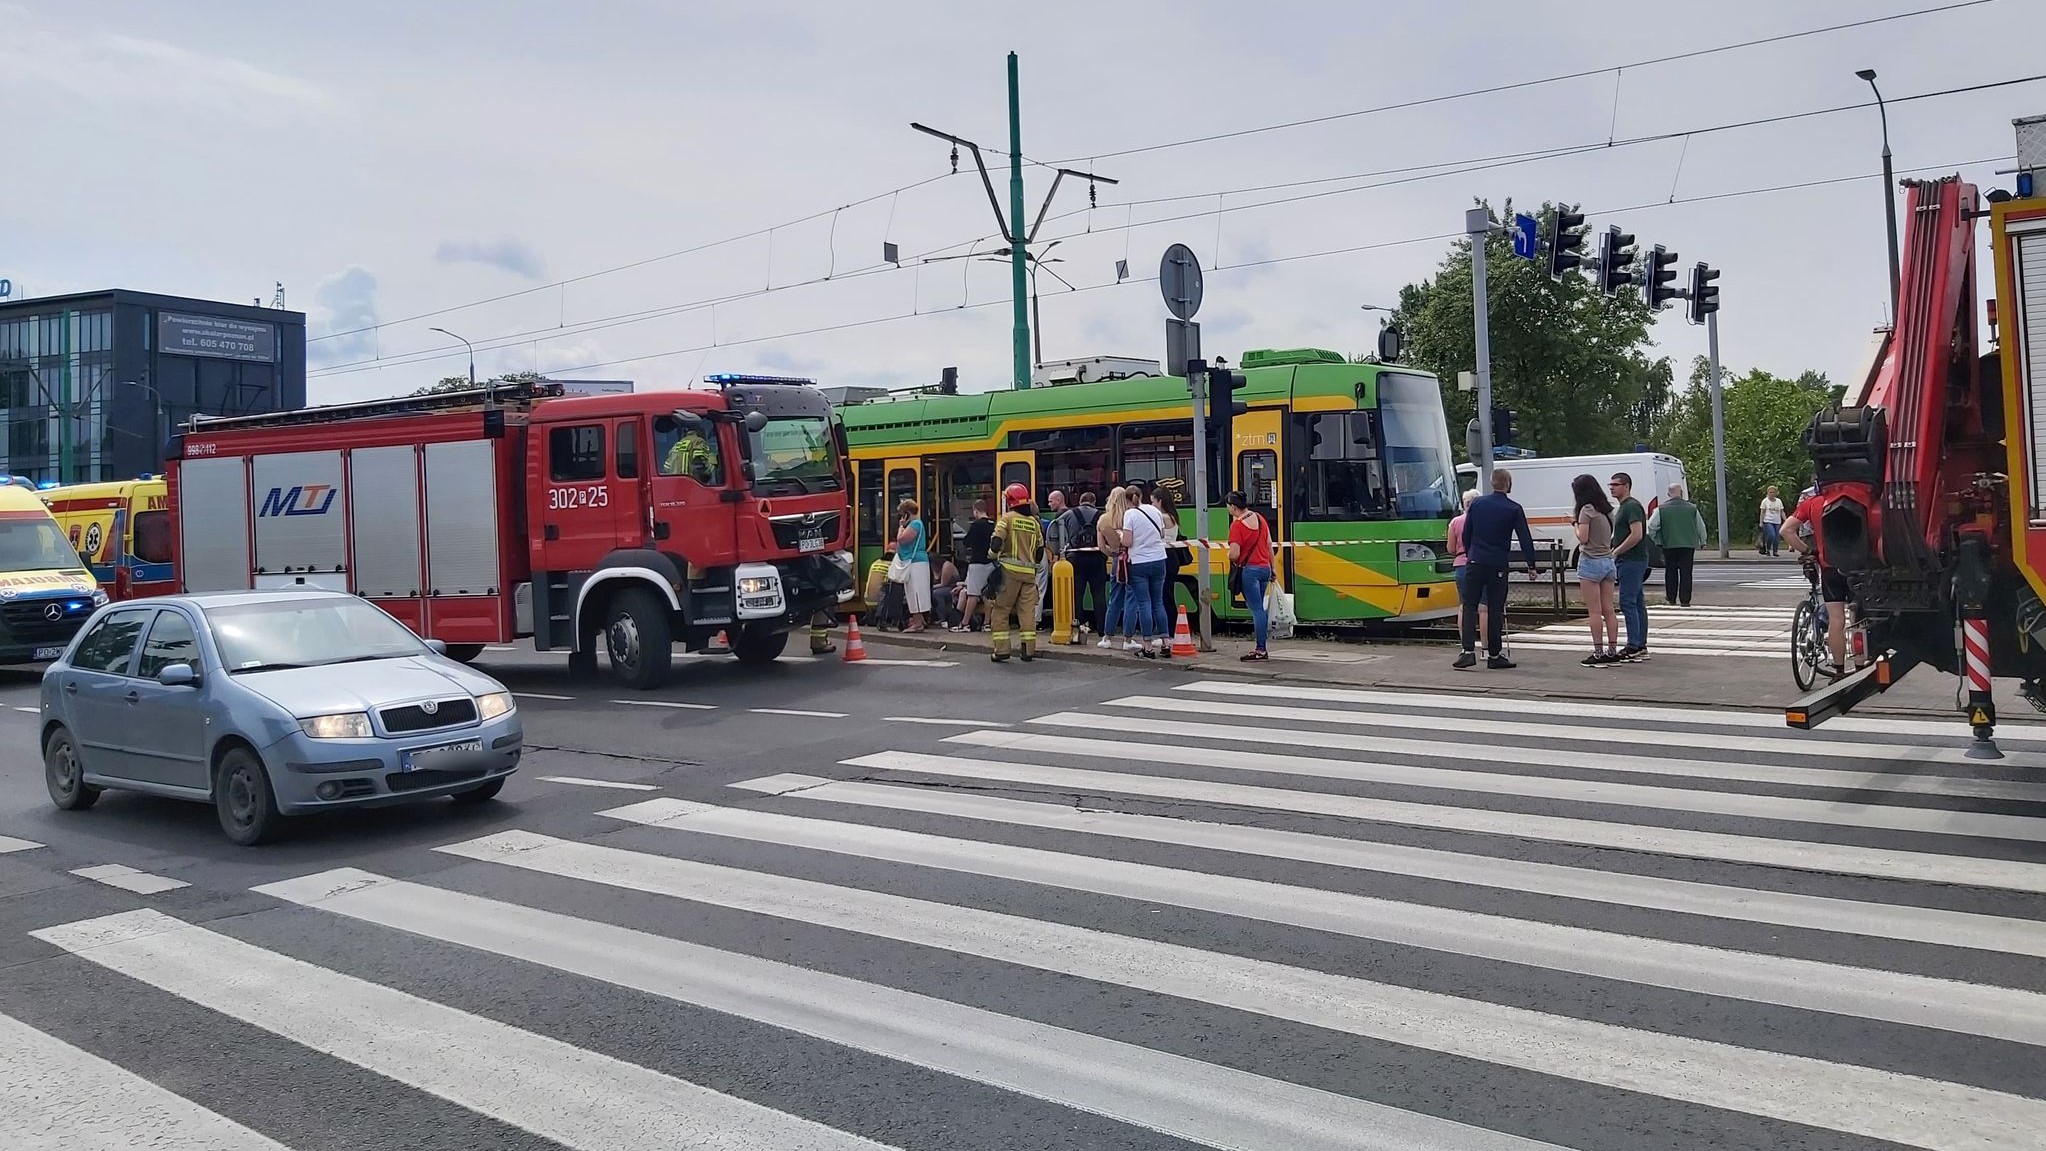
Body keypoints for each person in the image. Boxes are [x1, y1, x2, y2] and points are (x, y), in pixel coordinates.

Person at [1455, 466, 1536, 670]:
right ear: (1508, 484)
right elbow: (1524, 537)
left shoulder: (1477, 504)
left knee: (1469, 605)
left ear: (1492, 483)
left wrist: (1470, 552)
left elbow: (1467, 532)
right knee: (1494, 609)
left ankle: (1467, 652)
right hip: (1497, 563)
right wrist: (1531, 564)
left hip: (1474, 561)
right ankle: (1494, 654)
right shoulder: (1513, 508)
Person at [1783, 490, 1855, 674]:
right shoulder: (1857, 496)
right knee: (1858, 619)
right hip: (1858, 567)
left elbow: (1786, 530)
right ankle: (1861, 665)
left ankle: (1839, 670)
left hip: (1829, 566)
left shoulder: (1812, 503)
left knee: (1837, 620)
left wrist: (1808, 551)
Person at [987, 483, 1044, 662]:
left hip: (1008, 573)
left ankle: (1002, 650)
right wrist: (1031, 564)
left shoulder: (1007, 518)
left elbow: (996, 541)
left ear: (1010, 501)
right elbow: (1040, 551)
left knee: (1001, 611)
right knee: (1027, 613)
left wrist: (992, 555)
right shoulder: (1034, 522)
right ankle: (1028, 651)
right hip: (1029, 574)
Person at [1570, 474, 1620, 667]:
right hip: (1608, 561)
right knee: (1609, 610)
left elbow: (1583, 538)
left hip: (1590, 561)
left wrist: (1574, 524)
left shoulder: (1586, 511)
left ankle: (1598, 652)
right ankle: (1612, 651)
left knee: (1594, 611)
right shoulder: (1608, 511)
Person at [1121, 482, 1173, 658]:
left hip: (1139, 563)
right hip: (1159, 560)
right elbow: (1162, 535)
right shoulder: (1155, 511)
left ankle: (1148, 647)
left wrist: (1121, 537)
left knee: (1144, 603)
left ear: (1127, 500)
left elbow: (1127, 542)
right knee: (1158, 602)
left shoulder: (1130, 514)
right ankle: (1166, 643)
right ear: (1141, 496)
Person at [1226, 490, 1275, 662]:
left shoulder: (1237, 526)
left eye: (1228, 506)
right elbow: (1269, 545)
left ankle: (1261, 649)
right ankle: (1262, 647)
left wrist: (1228, 555)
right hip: (1265, 568)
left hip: (1250, 571)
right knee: (1259, 607)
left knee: (1256, 610)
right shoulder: (1260, 519)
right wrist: (1273, 568)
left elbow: (1235, 554)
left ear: (1233, 507)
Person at [1608, 472, 1650, 662]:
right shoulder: (1624, 507)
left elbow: (1636, 534)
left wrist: (1616, 551)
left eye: (1615, 485)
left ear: (1626, 486)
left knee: (1628, 602)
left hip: (1631, 559)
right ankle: (1640, 644)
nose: (1611, 488)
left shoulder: (1631, 506)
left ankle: (1633, 645)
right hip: (1634, 559)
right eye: (1610, 485)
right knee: (1637, 602)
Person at [1647, 482, 1708, 607]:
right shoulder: (1692, 508)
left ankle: (1671, 598)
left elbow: (1651, 526)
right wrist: (1703, 541)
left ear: (1668, 494)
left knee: (1670, 571)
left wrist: (1657, 539)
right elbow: (1700, 527)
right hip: (1688, 545)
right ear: (1682, 493)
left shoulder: (1661, 509)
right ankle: (1685, 600)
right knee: (1686, 572)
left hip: (1669, 544)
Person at [1056, 492, 1105, 634]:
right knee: (1098, 594)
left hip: (1076, 558)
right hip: (1097, 558)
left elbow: (1055, 525)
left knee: (1077, 594)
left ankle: (1078, 626)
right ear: (1094, 502)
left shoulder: (1070, 514)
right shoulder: (1101, 515)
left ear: (1080, 501)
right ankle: (1102, 629)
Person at [1446, 489, 1487, 653]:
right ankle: (1486, 648)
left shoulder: (1455, 522)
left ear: (1464, 503)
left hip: (1461, 565)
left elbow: (1450, 548)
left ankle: (1466, 648)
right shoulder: (1484, 521)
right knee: (1484, 608)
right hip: (1482, 563)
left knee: (1464, 606)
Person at [1095, 487, 1135, 650]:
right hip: (1132, 558)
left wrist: (1113, 554)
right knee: (1132, 598)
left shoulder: (1104, 520)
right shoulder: (1131, 516)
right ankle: (1128, 639)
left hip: (1117, 560)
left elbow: (1100, 546)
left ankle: (1107, 637)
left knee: (1115, 598)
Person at [952, 499, 995, 633]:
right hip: (991, 562)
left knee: (972, 595)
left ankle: (964, 624)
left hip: (977, 563)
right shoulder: (993, 524)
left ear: (975, 510)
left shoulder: (976, 525)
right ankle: (987, 624)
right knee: (988, 595)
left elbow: (966, 542)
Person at [894, 499, 931, 633]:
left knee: (914, 591)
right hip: (916, 562)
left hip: (915, 562)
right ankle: (919, 620)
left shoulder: (914, 524)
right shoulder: (917, 523)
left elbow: (902, 539)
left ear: (907, 513)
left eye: (902, 514)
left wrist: (901, 527)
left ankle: (917, 623)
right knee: (916, 591)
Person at [1036, 490, 1068, 624]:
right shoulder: (1069, 514)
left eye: (1050, 501)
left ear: (1058, 500)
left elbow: (1055, 540)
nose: (1048, 504)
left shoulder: (1059, 518)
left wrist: (1055, 555)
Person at [1759, 486, 1786, 556]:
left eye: (1774, 492)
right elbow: (1762, 512)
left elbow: (1782, 511)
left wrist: (1785, 520)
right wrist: (1761, 522)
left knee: (1777, 537)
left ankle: (1775, 551)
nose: (1772, 494)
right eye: (1770, 492)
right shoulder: (1765, 501)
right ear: (1768, 493)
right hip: (1768, 520)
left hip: (1777, 521)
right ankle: (1768, 549)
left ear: (1776, 493)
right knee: (1771, 535)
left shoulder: (1779, 501)